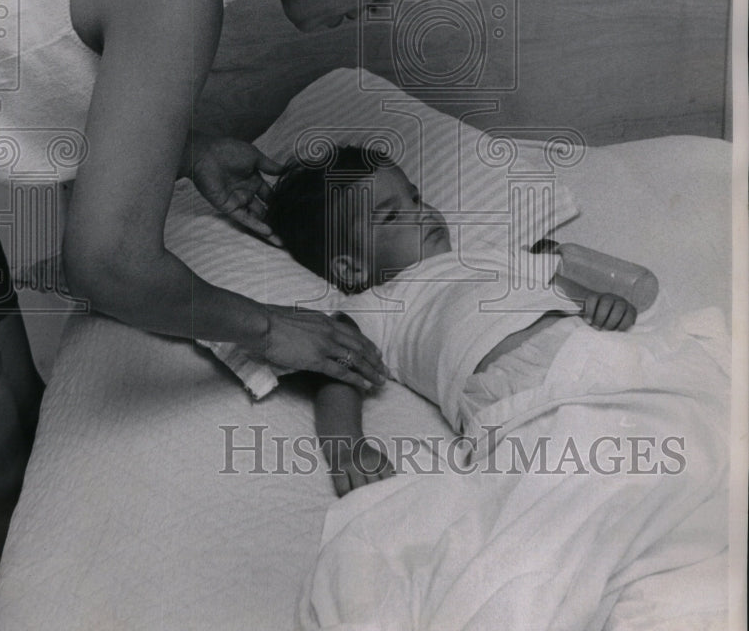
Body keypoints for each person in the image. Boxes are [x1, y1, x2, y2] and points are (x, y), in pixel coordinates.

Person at [0, 0, 514, 628]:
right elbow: (107, 263)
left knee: (14, 406)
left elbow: (25, 44)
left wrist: (190, 142)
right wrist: (266, 327)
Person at [267, 147, 638, 496]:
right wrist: (347, 449)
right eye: (392, 215)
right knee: (577, 474)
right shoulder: (378, 304)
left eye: (414, 197)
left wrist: (599, 303)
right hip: (510, 388)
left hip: (583, 341)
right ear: (352, 267)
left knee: (664, 400)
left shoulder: (491, 256)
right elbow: (337, 369)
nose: (422, 212)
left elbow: (558, 286)